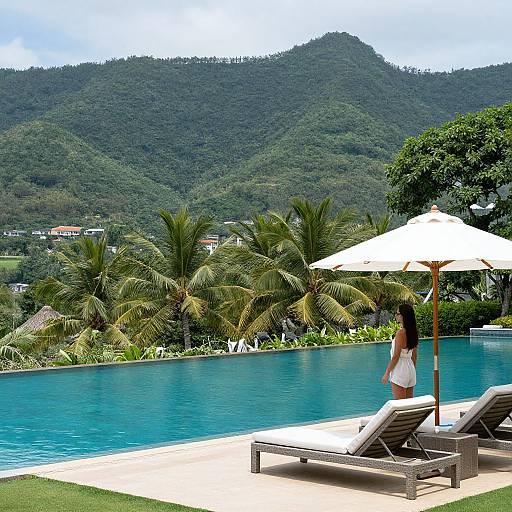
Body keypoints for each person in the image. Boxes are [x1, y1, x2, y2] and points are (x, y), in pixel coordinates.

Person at [381, 303, 419, 399]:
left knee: (401, 406)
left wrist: (386, 373)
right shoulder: (413, 332)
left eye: (398, 314)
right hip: (410, 369)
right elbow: (414, 356)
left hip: (400, 370)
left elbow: (396, 356)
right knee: (409, 404)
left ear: (404, 316)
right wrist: (411, 370)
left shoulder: (400, 333)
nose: (395, 316)